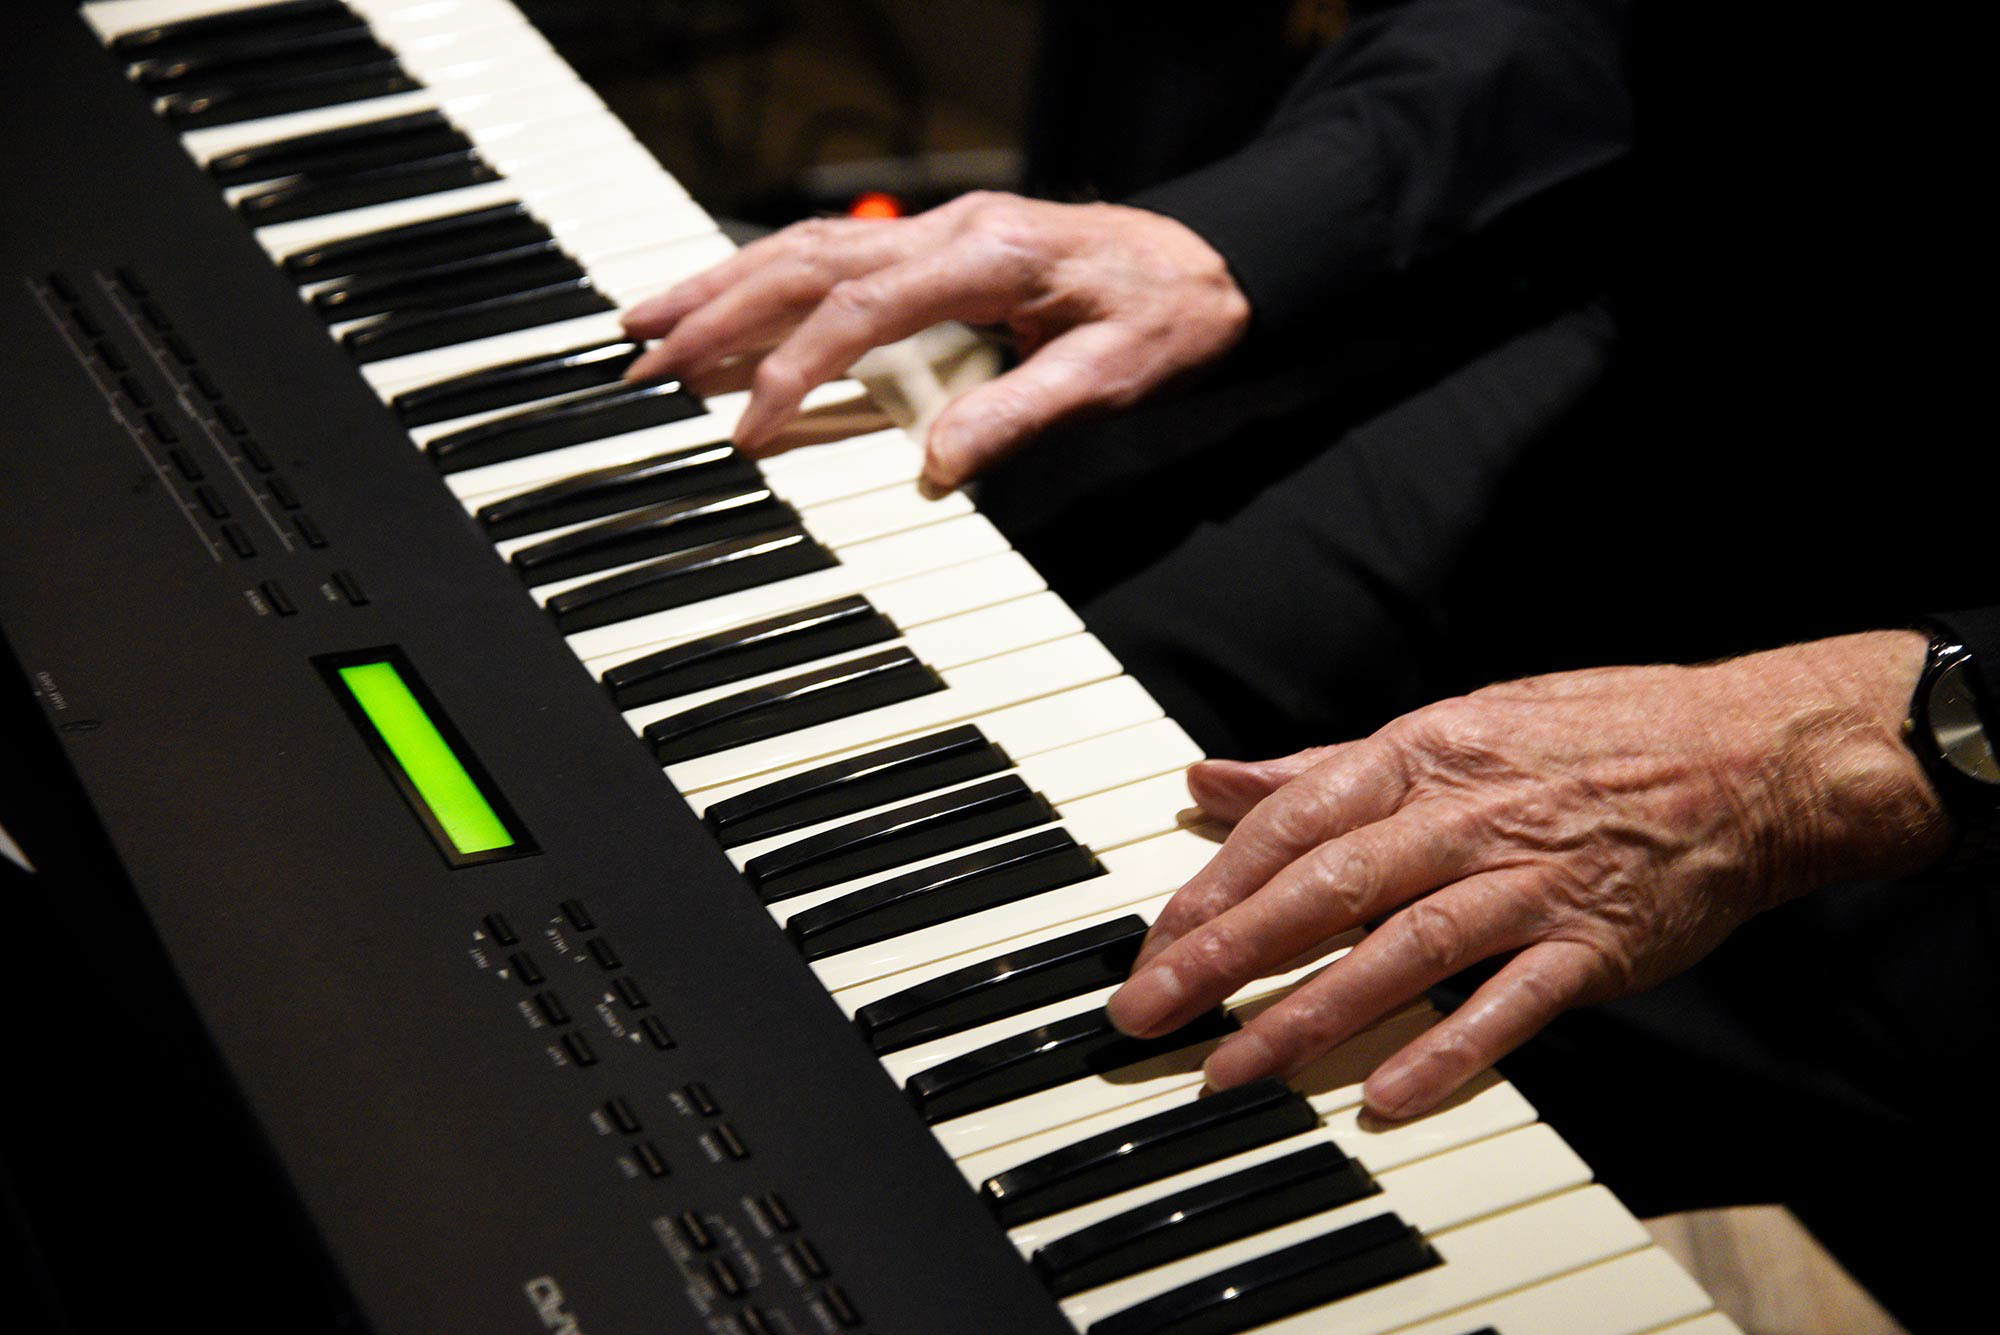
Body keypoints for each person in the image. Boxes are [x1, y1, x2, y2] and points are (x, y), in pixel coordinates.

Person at [620, 2, 1995, 1326]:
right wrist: (1232, 234)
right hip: (1741, 350)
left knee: (1399, 1104)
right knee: (1092, 766)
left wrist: (1844, 740)